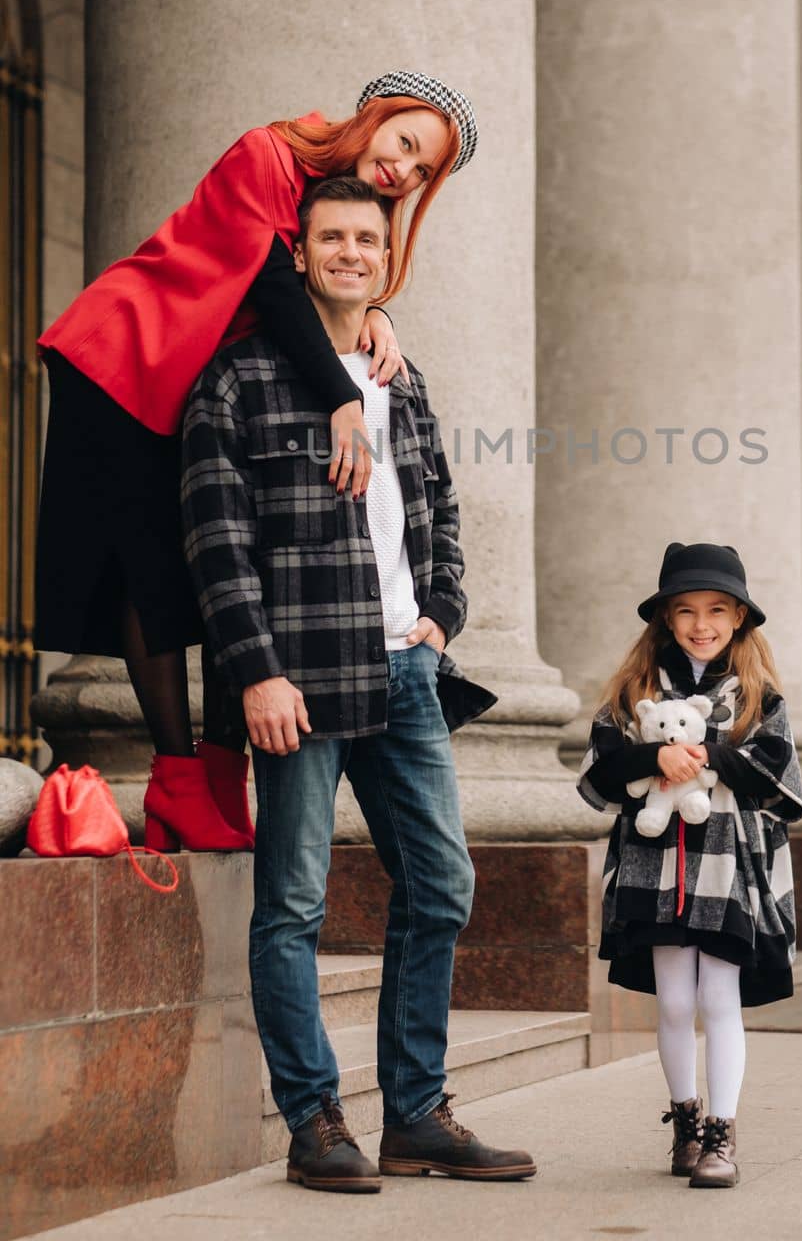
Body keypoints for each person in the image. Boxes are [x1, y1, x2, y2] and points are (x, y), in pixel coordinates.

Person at [180, 175, 536, 1192]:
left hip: (405, 672)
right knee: (292, 901)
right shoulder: (240, 379)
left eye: (365, 240)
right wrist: (255, 671)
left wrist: (442, 614)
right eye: (329, 237)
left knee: (441, 883)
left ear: (386, 256)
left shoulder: (397, 374)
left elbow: (440, 508)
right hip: (300, 678)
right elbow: (216, 541)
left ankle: (416, 1112)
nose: (348, 252)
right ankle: (314, 1120)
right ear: (296, 252)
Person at [34, 70, 475, 851]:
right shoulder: (268, 152)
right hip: (123, 358)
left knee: (219, 573)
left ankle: (211, 775)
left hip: (185, 378)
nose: (401, 172)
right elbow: (275, 280)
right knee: (153, 570)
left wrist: (377, 315)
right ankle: (177, 778)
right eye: (404, 145)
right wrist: (342, 391)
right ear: (374, 117)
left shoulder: (330, 203)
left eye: (420, 172)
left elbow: (321, 274)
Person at [576, 542, 802, 1188]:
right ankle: (683, 1121)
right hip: (652, 867)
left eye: (714, 610)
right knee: (674, 1003)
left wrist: (704, 755)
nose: (699, 624)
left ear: (737, 618)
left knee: (717, 996)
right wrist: (653, 759)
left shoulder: (759, 698)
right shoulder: (635, 694)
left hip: (728, 868)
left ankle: (720, 1137)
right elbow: (598, 777)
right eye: (685, 610)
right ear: (665, 620)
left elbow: (779, 786)